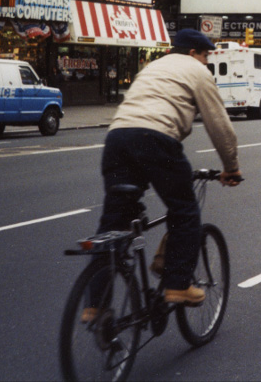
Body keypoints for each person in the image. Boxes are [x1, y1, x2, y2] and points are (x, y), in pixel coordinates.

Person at [92, 29, 242, 310]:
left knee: (112, 223)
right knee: (184, 212)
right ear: (193, 53)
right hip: (156, 139)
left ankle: (94, 307)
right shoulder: (197, 71)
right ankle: (177, 285)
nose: (208, 61)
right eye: (206, 55)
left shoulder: (153, 67)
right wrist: (231, 167)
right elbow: (219, 124)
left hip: (116, 139)